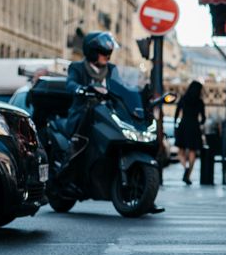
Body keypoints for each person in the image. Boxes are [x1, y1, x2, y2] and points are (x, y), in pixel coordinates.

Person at [61, 32, 164, 214]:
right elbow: (69, 84)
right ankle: (68, 177)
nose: (107, 56)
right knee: (79, 141)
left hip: (106, 112)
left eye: (109, 53)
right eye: (103, 52)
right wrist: (81, 89)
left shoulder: (112, 69)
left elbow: (123, 88)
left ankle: (144, 197)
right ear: (92, 52)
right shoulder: (77, 67)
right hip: (84, 112)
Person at [175, 80, 206, 185]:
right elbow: (203, 118)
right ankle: (188, 176)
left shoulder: (184, 99)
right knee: (193, 152)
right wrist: (199, 123)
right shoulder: (200, 102)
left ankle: (186, 167)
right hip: (194, 126)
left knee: (180, 151)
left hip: (184, 125)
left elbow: (177, 112)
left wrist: (176, 123)